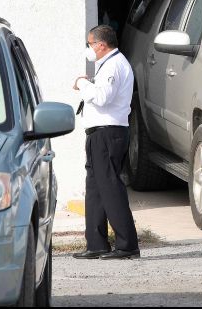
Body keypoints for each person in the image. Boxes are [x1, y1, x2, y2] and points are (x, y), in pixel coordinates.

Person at [72, 25, 139, 260]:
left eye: (90, 44)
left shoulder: (114, 64)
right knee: (95, 190)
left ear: (101, 45)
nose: (89, 49)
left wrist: (82, 83)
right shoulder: (106, 65)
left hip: (108, 133)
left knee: (110, 188)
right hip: (97, 134)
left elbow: (102, 97)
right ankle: (96, 243)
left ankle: (127, 245)